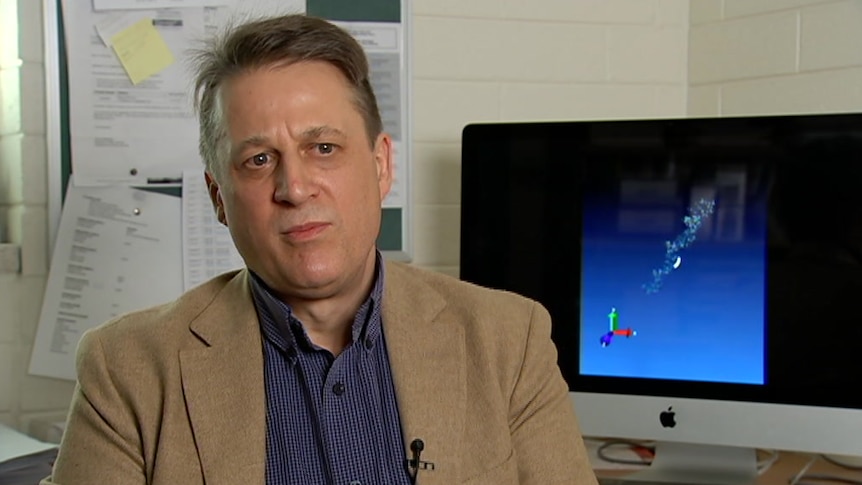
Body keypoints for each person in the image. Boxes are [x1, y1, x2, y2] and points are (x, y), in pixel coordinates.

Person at [41, 13, 597, 485]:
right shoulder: (127, 370)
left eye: (324, 147)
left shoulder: (508, 340)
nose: (295, 188)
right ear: (218, 196)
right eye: (259, 160)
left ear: (381, 165)